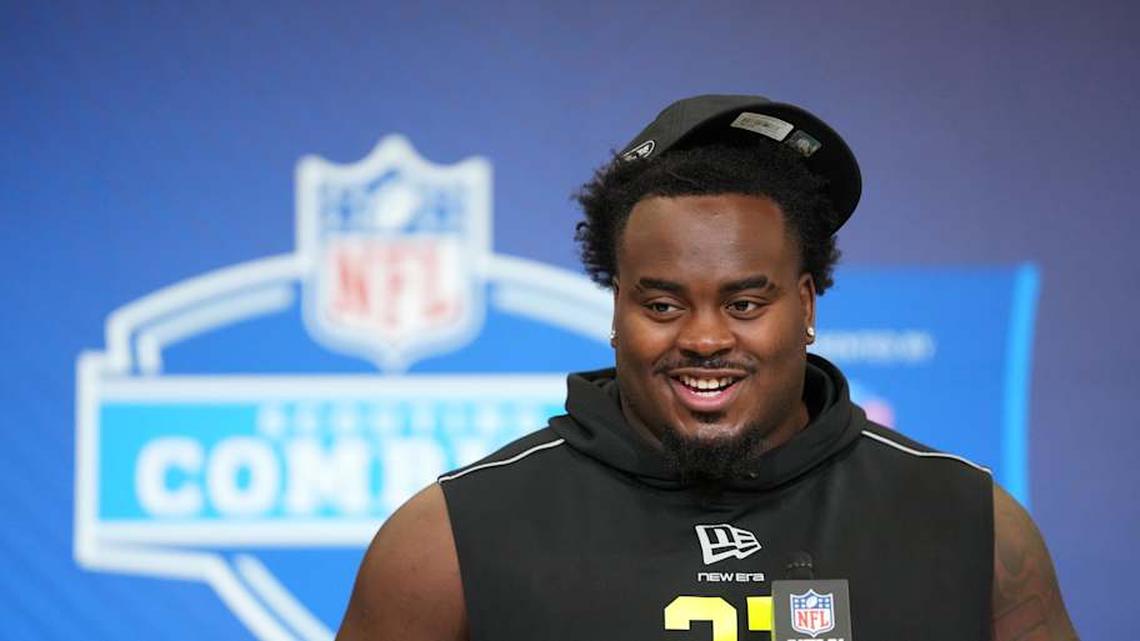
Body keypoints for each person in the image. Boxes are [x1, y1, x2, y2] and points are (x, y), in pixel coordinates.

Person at [335, 95, 1079, 641]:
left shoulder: (968, 524)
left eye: (745, 303)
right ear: (616, 311)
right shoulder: (453, 536)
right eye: (662, 306)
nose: (703, 337)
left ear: (806, 303)